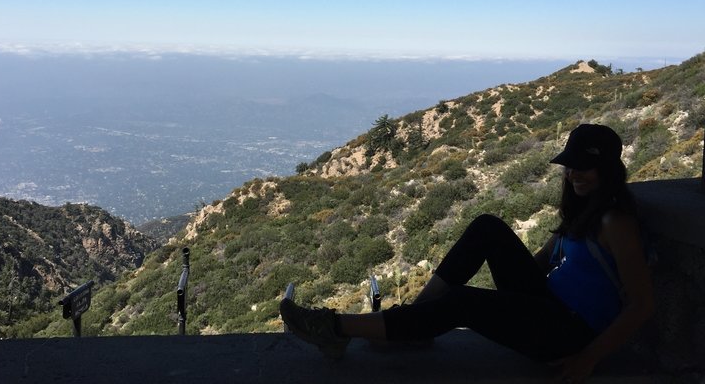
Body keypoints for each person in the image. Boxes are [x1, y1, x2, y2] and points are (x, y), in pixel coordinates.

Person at [280, 124, 654, 383]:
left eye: (584, 167)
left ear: (606, 169)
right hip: (549, 306)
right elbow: (539, 263)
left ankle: (334, 327)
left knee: (461, 302)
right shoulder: (583, 211)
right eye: (570, 165)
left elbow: (641, 305)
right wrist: (509, 283)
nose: (573, 174)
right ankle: (412, 325)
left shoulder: (615, 222)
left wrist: (588, 359)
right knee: (488, 226)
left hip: (569, 334)